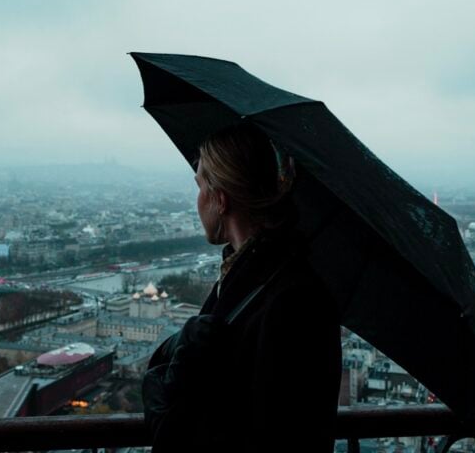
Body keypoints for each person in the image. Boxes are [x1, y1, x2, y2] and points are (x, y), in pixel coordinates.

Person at [142, 122, 341, 453]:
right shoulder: (273, 277)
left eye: (200, 186)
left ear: (220, 200)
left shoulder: (286, 299)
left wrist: (160, 386)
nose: (197, 201)